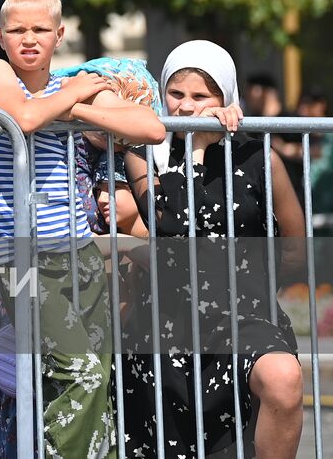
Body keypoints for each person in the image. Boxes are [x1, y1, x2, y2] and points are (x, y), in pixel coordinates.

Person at [0, 0, 165, 459]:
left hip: (78, 252)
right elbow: (23, 118)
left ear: (60, 34)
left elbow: (150, 129)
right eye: (17, 30)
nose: (29, 40)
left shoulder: (74, 88)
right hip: (22, 258)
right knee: (80, 371)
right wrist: (76, 96)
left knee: (97, 372)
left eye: (41, 30)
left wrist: (81, 111)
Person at [119, 40, 304, 459]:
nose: (186, 107)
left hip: (246, 315)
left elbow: (296, 247)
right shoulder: (145, 153)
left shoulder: (258, 156)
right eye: (176, 93)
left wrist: (250, 281)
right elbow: (173, 226)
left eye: (201, 96)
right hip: (166, 322)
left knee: (283, 377)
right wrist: (197, 151)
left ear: (226, 100)